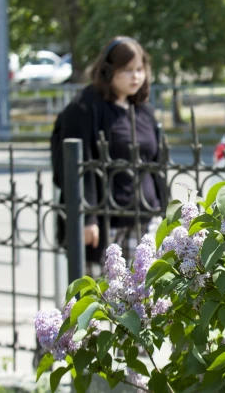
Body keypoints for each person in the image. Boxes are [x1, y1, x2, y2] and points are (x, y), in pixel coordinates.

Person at [51, 36, 166, 272]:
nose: (135, 76)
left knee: (142, 300)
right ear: (107, 70)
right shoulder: (84, 107)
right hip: (105, 225)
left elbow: (157, 166)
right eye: (127, 70)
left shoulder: (143, 110)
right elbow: (77, 166)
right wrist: (88, 218)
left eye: (139, 69)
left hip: (145, 219)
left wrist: (167, 214)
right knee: (104, 300)